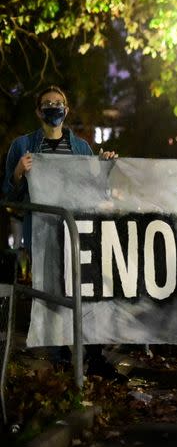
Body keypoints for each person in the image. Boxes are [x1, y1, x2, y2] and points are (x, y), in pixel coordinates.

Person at [2, 85, 125, 381]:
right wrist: (19, 173)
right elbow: (8, 195)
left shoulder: (81, 148)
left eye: (59, 103)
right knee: (50, 294)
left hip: (78, 232)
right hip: (43, 234)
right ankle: (59, 362)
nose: (54, 107)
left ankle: (93, 356)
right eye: (47, 103)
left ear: (67, 110)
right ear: (38, 110)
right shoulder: (22, 147)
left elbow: (95, 192)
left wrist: (105, 168)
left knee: (89, 291)